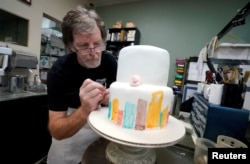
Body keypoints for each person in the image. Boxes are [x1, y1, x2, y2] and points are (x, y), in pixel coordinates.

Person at [46, 5, 117, 164]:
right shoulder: (59, 72)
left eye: (97, 43)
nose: (93, 52)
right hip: (68, 141)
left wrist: (113, 99)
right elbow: (57, 130)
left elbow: (117, 107)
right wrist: (85, 109)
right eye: (84, 46)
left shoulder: (110, 62)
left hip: (98, 137)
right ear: (71, 46)